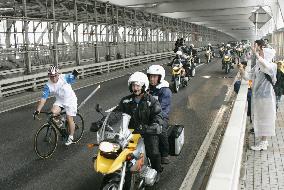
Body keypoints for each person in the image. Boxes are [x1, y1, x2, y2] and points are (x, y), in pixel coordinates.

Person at [118, 72, 164, 180]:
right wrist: (101, 122)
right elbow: (116, 114)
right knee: (118, 149)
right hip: (129, 133)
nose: (135, 88)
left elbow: (158, 116)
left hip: (147, 132)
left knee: (153, 150)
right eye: (133, 85)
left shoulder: (152, 101)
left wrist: (152, 127)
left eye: (138, 85)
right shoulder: (125, 101)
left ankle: (157, 171)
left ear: (144, 86)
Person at [238, 39, 277, 151]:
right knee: (259, 118)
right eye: (260, 53)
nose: (259, 54)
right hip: (258, 97)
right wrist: (241, 70)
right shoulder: (258, 66)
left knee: (265, 119)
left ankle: (264, 143)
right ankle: (262, 141)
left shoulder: (271, 66)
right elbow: (248, 77)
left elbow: (267, 67)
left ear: (267, 56)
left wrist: (255, 53)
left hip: (267, 98)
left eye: (261, 53)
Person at [33, 66, 79, 146]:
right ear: (49, 76)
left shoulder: (64, 77)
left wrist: (74, 74)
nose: (53, 78)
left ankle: (71, 137)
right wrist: (38, 110)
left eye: (55, 76)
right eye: (51, 76)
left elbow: (73, 77)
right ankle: (62, 124)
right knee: (53, 113)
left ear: (58, 74)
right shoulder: (48, 85)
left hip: (70, 100)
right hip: (60, 101)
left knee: (69, 118)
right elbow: (43, 99)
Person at [147, 65, 172, 164]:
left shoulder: (165, 90)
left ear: (160, 77)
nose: (152, 79)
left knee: (161, 130)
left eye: (155, 77)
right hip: (146, 115)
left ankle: (165, 154)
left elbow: (162, 107)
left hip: (161, 116)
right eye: (151, 76)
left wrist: (153, 115)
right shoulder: (146, 88)